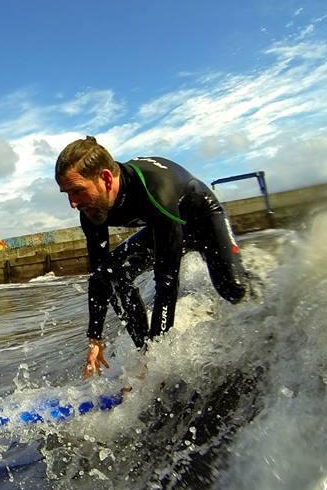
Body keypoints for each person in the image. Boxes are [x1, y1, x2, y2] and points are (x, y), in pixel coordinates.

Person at [54, 136, 248, 378]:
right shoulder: (90, 209)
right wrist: (95, 338)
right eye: (67, 194)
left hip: (203, 219)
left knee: (234, 290)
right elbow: (98, 275)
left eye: (77, 191)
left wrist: (159, 364)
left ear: (104, 178)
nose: (72, 203)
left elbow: (166, 282)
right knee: (111, 273)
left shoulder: (155, 189)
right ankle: (144, 351)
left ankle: (265, 304)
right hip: (164, 226)